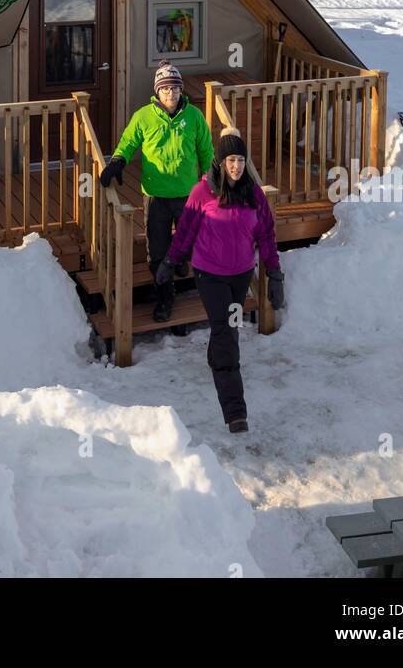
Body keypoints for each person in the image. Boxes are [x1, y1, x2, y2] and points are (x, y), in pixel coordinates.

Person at [155, 128, 285, 434]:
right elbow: (185, 230)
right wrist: (171, 261)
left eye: (241, 160)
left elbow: (266, 235)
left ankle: (218, 360)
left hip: (240, 275)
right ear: (220, 162)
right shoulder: (203, 192)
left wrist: (275, 273)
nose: (237, 166)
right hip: (209, 275)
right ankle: (235, 411)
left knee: (229, 329)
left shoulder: (253, 194)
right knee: (227, 333)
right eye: (231, 160)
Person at [99, 63, 213, 322]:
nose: (171, 93)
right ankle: (164, 298)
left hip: (188, 194)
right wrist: (117, 162)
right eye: (166, 89)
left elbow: (206, 151)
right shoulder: (143, 116)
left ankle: (182, 258)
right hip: (156, 195)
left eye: (175, 88)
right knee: (158, 251)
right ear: (157, 92)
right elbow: (128, 143)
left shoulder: (194, 116)